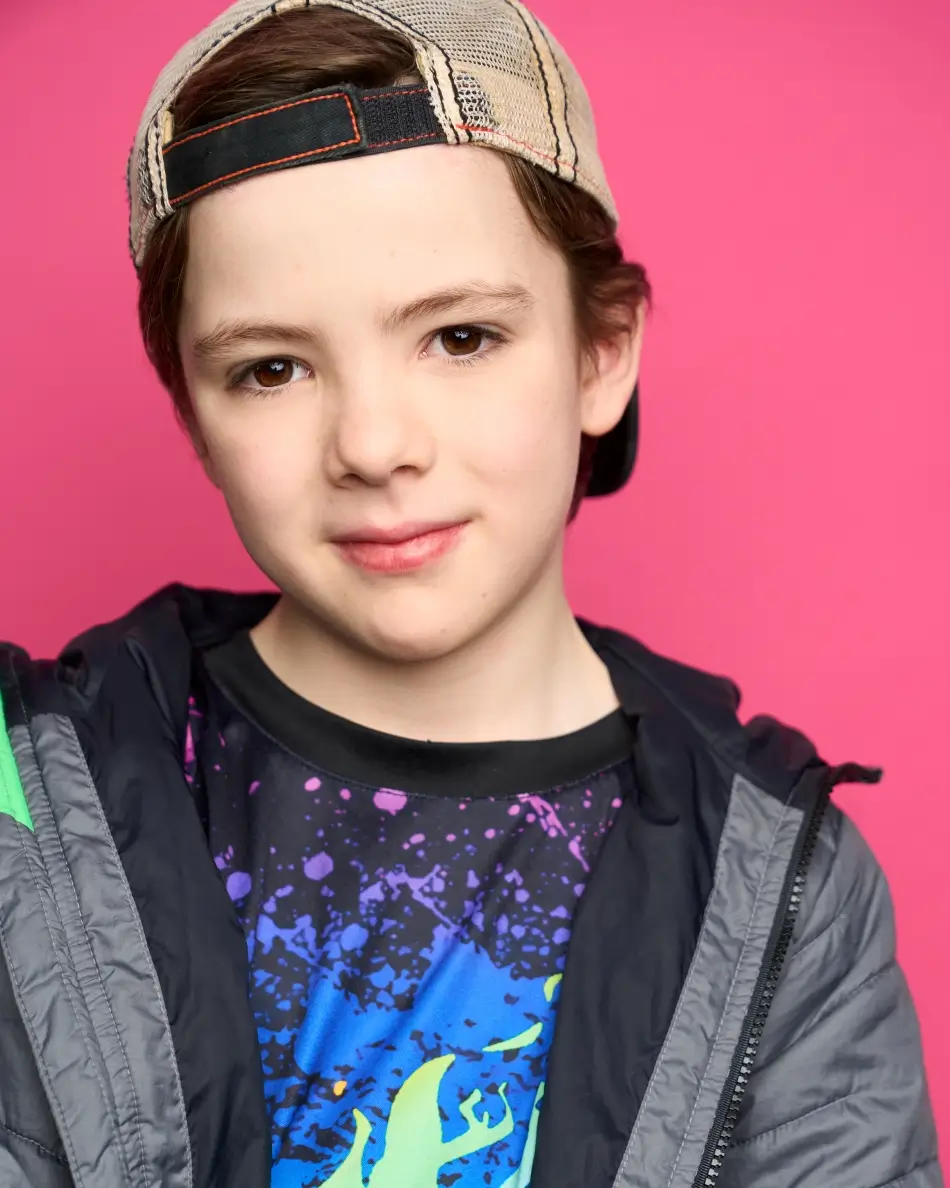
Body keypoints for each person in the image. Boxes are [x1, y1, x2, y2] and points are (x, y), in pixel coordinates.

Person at [0, 0, 941, 1185]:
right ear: (194, 414)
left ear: (601, 352)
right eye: (271, 368)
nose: (375, 443)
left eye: (458, 338)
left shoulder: (774, 878)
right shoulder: (24, 796)